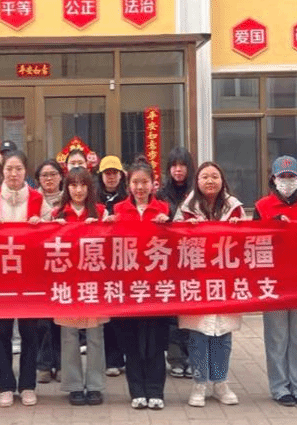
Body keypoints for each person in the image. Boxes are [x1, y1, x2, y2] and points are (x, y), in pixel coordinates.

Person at [0, 150, 52, 407]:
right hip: (0, 277)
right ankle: (5, 386)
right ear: (2, 171)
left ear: (25, 171)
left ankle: (28, 385)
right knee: (1, 333)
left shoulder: (38, 198)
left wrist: (41, 223)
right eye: (9, 169)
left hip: (30, 276)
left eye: (18, 169)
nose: (14, 174)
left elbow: (54, 229)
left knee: (30, 333)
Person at [104, 157, 171, 410]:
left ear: (153, 184)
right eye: (135, 182)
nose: (140, 187)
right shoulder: (118, 210)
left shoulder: (164, 209)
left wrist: (169, 225)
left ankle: (156, 391)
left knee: (155, 343)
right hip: (128, 288)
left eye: (145, 182)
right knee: (131, 342)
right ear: (128, 185)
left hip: (156, 288)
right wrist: (106, 226)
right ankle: (137, 391)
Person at [176, 161, 244, 408]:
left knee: (222, 334)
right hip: (197, 279)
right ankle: (199, 383)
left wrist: (239, 231)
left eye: (214, 176)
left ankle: (220, 382)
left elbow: (247, 244)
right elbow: (173, 241)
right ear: (197, 181)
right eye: (204, 176)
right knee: (198, 334)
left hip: (225, 279)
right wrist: (185, 230)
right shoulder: (186, 209)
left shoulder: (234, 207)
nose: (210, 181)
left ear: (222, 180)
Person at [254, 156, 297, 407]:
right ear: (274, 179)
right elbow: (252, 241)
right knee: (277, 337)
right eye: (283, 177)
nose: (287, 181)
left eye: (292, 177)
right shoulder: (262, 206)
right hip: (274, 281)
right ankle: (280, 387)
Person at [50, 168, 108, 406]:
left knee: (95, 336)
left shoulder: (101, 212)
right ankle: (73, 385)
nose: (78, 190)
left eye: (83, 185)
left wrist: (102, 228)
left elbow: (112, 244)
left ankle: (95, 385)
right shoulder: (57, 213)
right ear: (67, 188)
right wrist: (54, 228)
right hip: (67, 282)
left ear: (89, 187)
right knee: (69, 336)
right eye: (73, 185)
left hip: (94, 282)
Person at [157, 147, 196, 379]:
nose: (178, 170)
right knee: (172, 312)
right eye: (174, 165)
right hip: (169, 258)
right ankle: (175, 359)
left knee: (191, 310)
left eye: (182, 165)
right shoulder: (161, 194)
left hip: (192, 258)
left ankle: (192, 357)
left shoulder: (197, 192)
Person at [95, 155, 128, 377]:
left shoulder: (128, 197)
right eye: (107, 173)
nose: (111, 177)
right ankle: (111, 360)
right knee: (106, 314)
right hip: (100, 262)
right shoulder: (94, 198)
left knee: (123, 314)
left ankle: (126, 356)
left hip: (123, 261)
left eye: (115, 173)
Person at [34, 159, 65, 384]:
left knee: (62, 319)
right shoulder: (32, 199)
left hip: (63, 265)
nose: (49, 179)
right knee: (42, 320)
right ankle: (44, 364)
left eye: (53, 174)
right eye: (44, 175)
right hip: (38, 266)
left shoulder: (69, 197)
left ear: (61, 177)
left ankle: (62, 364)